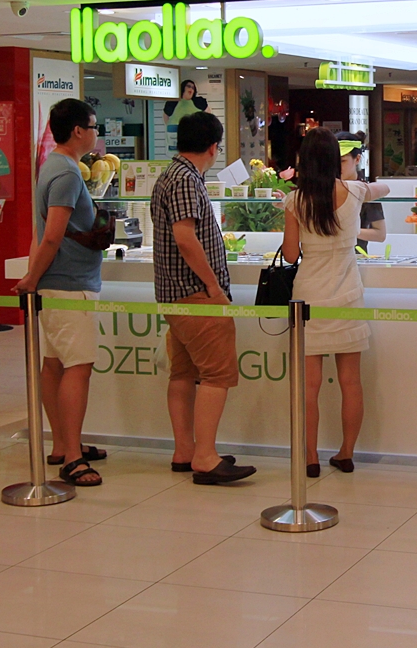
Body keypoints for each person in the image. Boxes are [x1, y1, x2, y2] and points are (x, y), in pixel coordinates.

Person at [150, 110, 256, 485]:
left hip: (174, 295)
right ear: (213, 147)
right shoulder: (185, 180)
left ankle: (186, 450)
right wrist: (212, 287)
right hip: (195, 295)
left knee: (183, 372)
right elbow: (185, 238)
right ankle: (206, 456)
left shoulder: (171, 175)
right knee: (216, 374)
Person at [282, 128, 390, 476]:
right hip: (347, 294)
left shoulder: (294, 201)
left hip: (308, 296)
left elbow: (289, 254)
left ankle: (310, 457)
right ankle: (346, 453)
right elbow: (384, 188)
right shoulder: (355, 191)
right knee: (351, 382)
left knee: (308, 387)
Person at [14, 99, 109, 486]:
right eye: (93, 126)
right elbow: (52, 235)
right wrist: (32, 279)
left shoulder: (51, 167)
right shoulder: (68, 173)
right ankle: (72, 456)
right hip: (69, 286)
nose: (96, 133)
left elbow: (43, 234)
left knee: (54, 364)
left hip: (57, 285)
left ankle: (62, 444)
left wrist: (33, 277)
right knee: (77, 367)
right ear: (77, 131)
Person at [334, 132, 385, 252]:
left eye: (342, 161)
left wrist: (348, 231)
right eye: (332, 161)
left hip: (356, 259)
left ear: (357, 159)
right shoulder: (325, 188)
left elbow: (380, 234)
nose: (336, 166)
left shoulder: (367, 191)